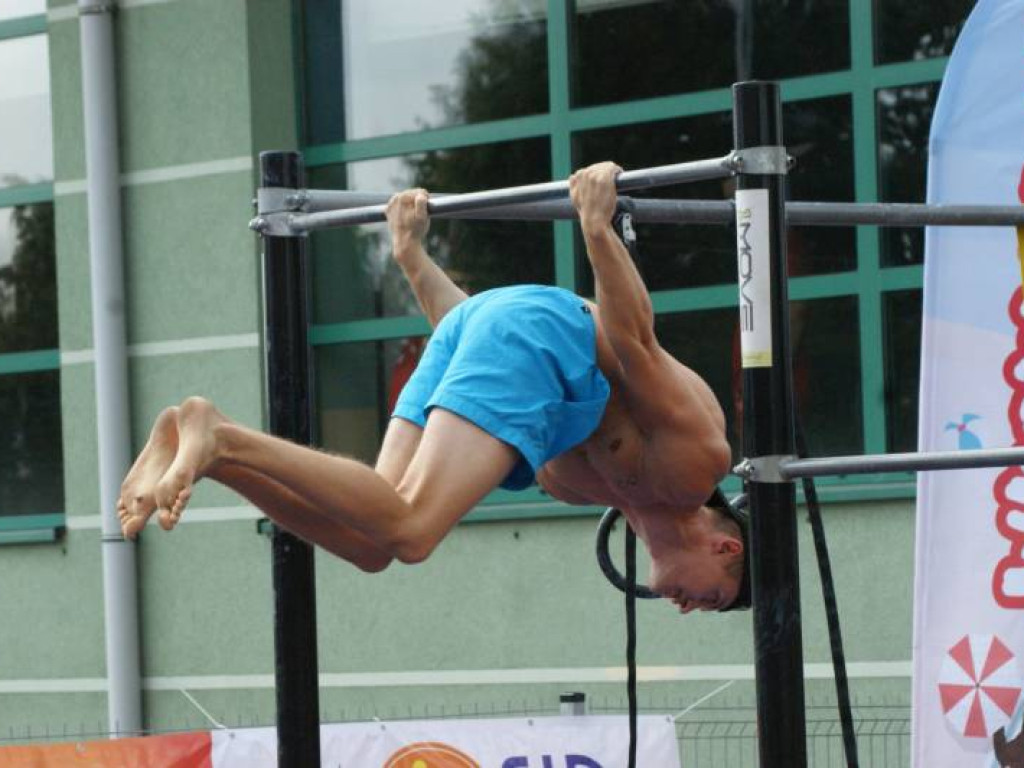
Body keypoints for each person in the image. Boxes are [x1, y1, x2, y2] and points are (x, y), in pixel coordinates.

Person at [117, 162, 747, 614]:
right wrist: (597, 229)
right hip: (543, 329)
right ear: (726, 546)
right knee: (414, 531)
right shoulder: (693, 468)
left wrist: (412, 259)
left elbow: (480, 343)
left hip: (474, 326)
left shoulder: (588, 493)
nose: (689, 607)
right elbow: (634, 343)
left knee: (371, 541)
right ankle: (223, 437)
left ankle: (210, 458)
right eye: (712, 596)